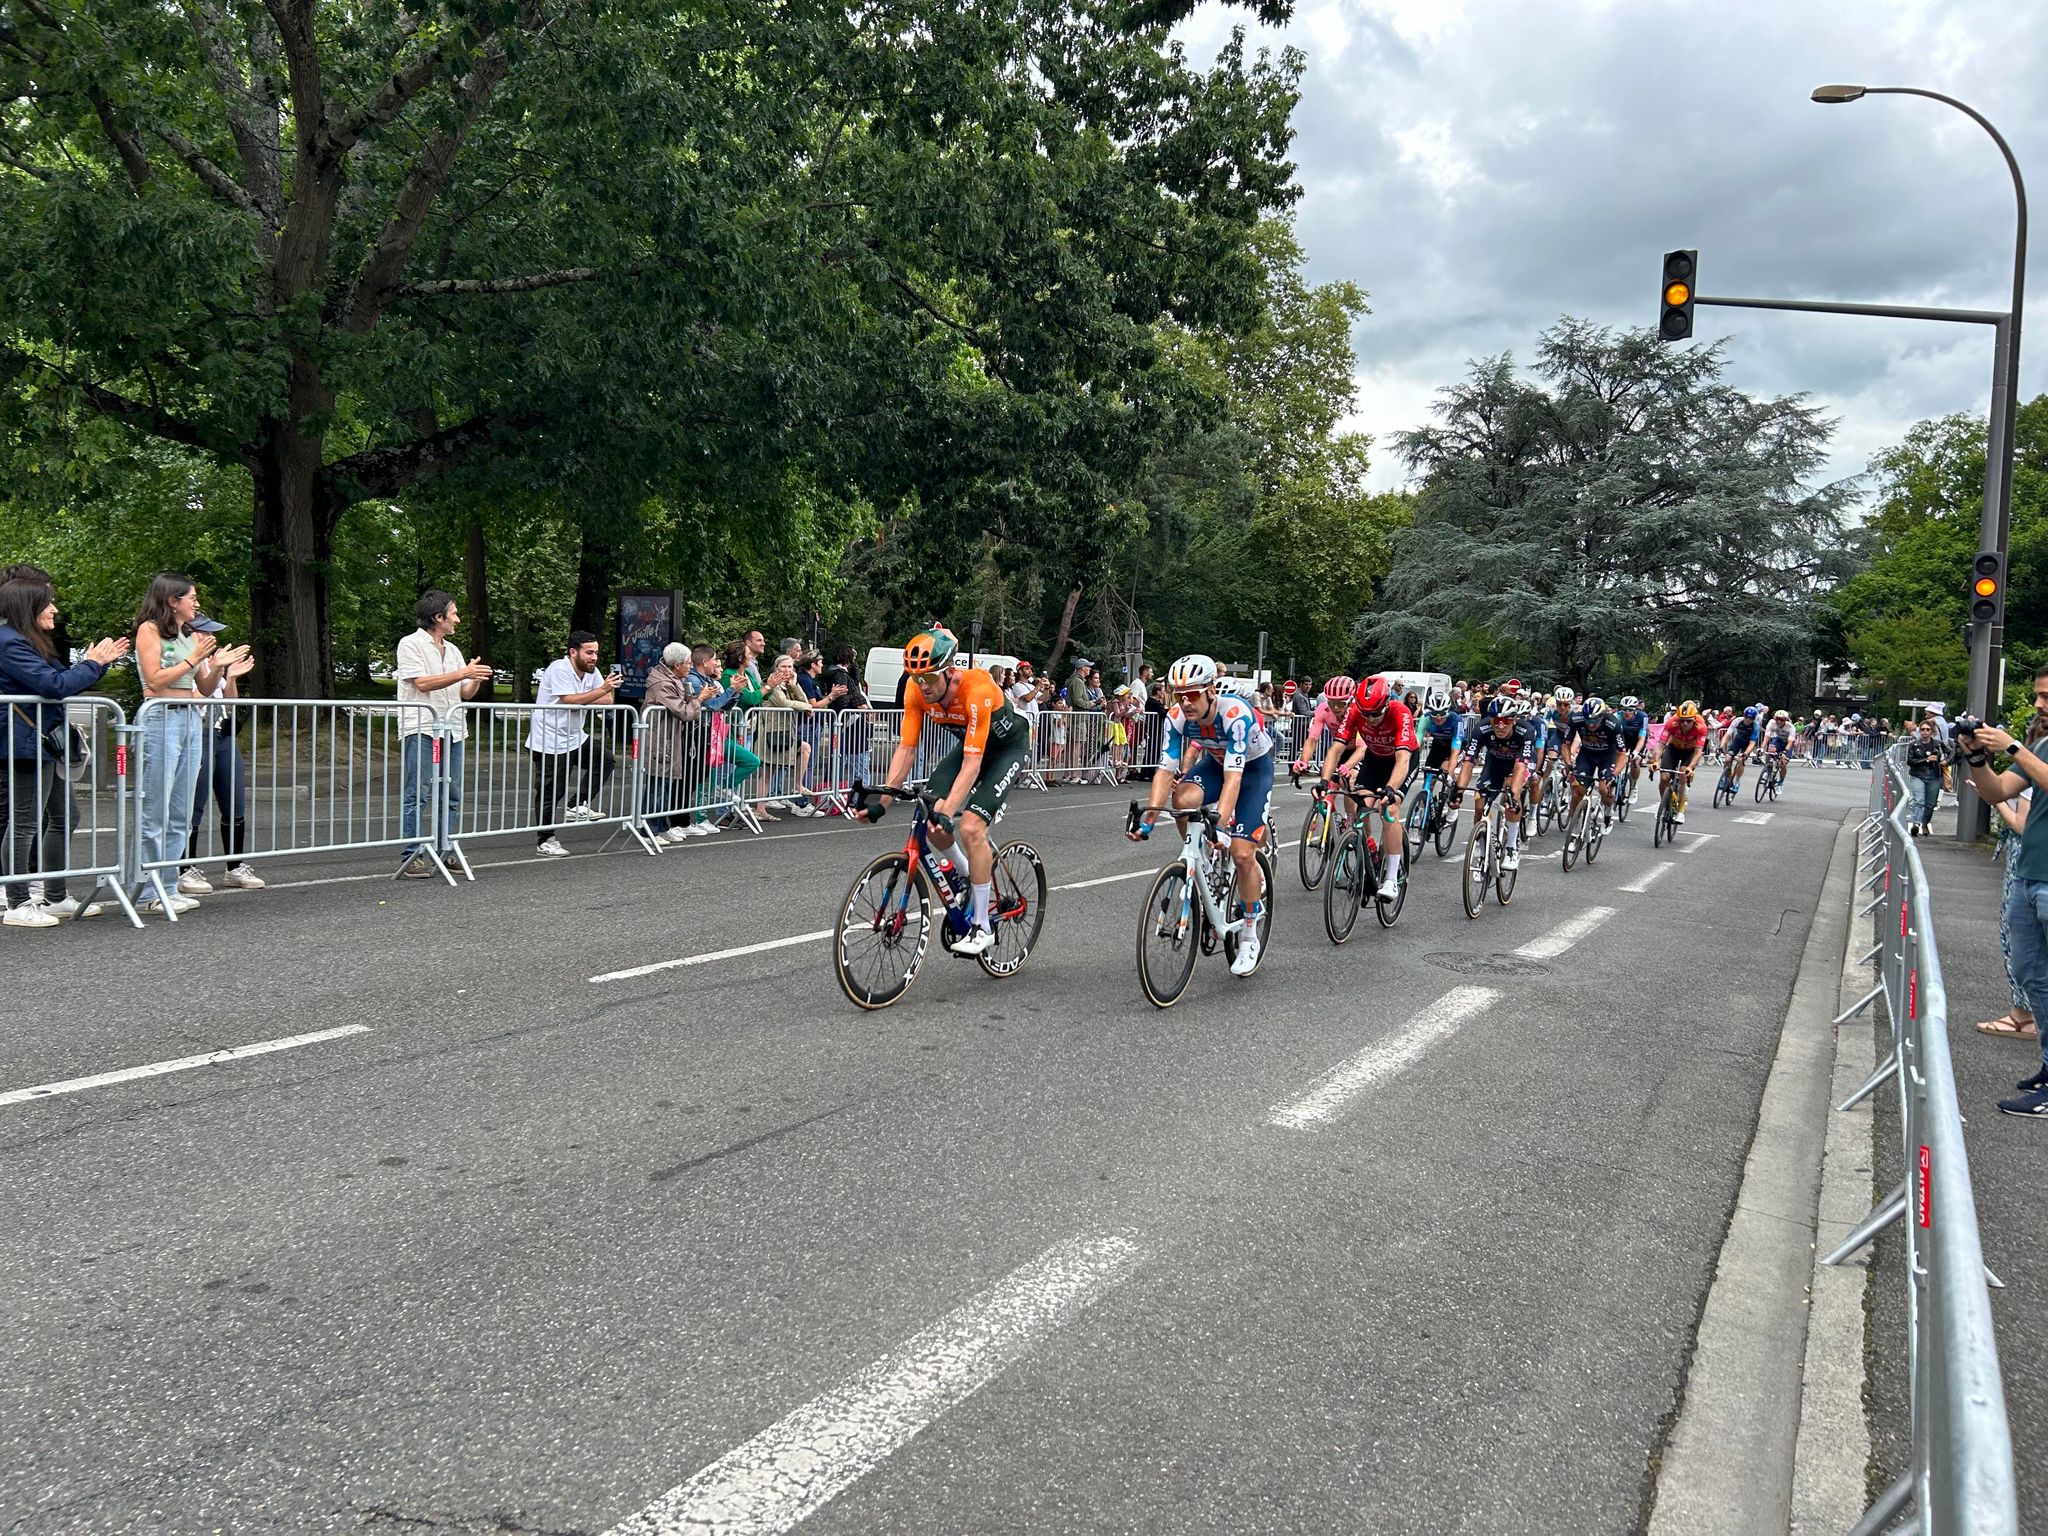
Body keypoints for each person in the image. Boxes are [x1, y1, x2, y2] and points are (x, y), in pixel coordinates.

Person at [861, 627, 1031, 957]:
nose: (922, 686)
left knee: (968, 827)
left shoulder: (976, 687)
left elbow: (972, 763)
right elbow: (907, 749)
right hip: (970, 747)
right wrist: (882, 799)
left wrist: (948, 809)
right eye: (916, 677)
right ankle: (968, 874)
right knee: (929, 818)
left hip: (1006, 750)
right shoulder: (915, 689)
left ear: (949, 670)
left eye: (929, 678)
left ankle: (982, 926)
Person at [1133, 653, 1275, 976]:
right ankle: (1200, 859)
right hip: (1214, 764)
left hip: (1252, 771)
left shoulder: (1236, 715)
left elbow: (1234, 779)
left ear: (1211, 691)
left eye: (1193, 694)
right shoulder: (1177, 717)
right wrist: (1149, 819)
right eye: (1179, 695)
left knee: (1241, 853)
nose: (1185, 702)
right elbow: (1165, 770)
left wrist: (1221, 826)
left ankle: (1250, 935)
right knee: (1181, 798)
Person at [0, 579, 128, 926]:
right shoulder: (9, 643)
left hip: (42, 742)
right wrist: (92, 662)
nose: (55, 609)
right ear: (29, 607)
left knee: (65, 816)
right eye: (48, 603)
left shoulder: (28, 641)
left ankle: (55, 896)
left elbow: (67, 680)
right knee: (24, 821)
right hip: (24, 742)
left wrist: (94, 664)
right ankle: (17, 903)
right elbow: (55, 686)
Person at [1952, 680, 2048, 1114]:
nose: (2038, 703)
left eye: (2047, 695)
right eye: (2037, 694)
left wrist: (2011, 746)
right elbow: (1996, 792)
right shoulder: (2042, 745)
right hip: (2029, 873)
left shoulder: (2030, 747)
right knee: (2032, 976)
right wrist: (1976, 757)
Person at [134, 573, 244, 914]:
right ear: (172, 600)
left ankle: (168, 885)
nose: (196, 603)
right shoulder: (149, 630)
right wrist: (194, 658)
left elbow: (207, 687)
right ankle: (146, 891)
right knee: (156, 811)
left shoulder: (185, 636)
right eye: (191, 597)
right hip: (160, 718)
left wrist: (220, 669)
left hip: (189, 718)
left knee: (180, 811)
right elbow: (154, 680)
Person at [396, 589, 493, 876]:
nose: (458, 620)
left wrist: (473, 678)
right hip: (422, 728)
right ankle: (411, 854)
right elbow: (422, 684)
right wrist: (463, 674)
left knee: (450, 795)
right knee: (418, 794)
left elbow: (464, 692)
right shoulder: (410, 644)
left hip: (452, 730)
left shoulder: (453, 650)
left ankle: (445, 850)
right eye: (453, 613)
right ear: (438, 617)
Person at [179, 613, 264, 893]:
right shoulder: (185, 661)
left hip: (222, 734)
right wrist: (215, 668)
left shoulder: (211, 662)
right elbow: (193, 698)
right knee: (195, 804)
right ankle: (184, 867)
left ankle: (234, 866)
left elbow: (229, 703)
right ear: (189, 634)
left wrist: (231, 677)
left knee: (234, 800)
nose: (211, 638)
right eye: (204, 633)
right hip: (198, 734)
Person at [1318, 673, 1419, 906]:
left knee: (1389, 809)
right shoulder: (1355, 712)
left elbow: (1403, 758)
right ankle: (1369, 847)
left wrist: (1391, 789)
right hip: (1375, 759)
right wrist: (1324, 781)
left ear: (1385, 704)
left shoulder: (1400, 712)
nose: (1370, 718)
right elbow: (1335, 749)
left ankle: (1391, 878)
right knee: (1363, 804)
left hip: (1400, 759)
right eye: (1366, 713)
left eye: (1375, 714)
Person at [528, 631, 620, 857]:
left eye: (596, 652)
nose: (594, 657)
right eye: (589, 652)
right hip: (549, 739)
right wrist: (597, 692)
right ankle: (545, 839)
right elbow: (569, 700)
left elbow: (607, 700)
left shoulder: (593, 672)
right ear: (572, 652)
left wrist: (593, 694)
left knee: (605, 760)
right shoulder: (559, 668)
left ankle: (577, 804)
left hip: (575, 736)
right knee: (551, 791)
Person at [1452, 696, 1538, 870]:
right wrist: (1458, 790)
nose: (1500, 725)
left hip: (1519, 764)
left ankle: (1512, 847)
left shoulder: (1526, 731)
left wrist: (1514, 794)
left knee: (1510, 797)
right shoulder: (1482, 728)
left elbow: (1521, 767)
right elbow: (1469, 762)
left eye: (1505, 721)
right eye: (1496, 720)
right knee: (1479, 803)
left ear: (1514, 720)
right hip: (1495, 763)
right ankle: (1482, 853)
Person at [641, 641, 707, 843]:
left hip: (669, 739)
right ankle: (649, 829)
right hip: (660, 740)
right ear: (677, 664)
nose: (690, 666)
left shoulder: (672, 678)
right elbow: (684, 711)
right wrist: (700, 698)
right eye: (688, 663)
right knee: (657, 785)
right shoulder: (662, 683)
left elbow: (684, 703)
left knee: (666, 783)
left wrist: (692, 698)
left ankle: (661, 826)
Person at [1658, 700, 1708, 824]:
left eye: (1688, 721)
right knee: (1664, 777)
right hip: (1674, 748)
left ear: (1694, 719)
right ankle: (1664, 804)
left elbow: (1698, 752)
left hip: (1690, 751)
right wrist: (1655, 761)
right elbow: (1660, 745)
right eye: (1682, 720)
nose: (1684, 723)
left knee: (1682, 774)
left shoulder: (1701, 727)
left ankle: (1680, 810)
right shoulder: (1671, 723)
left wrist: (1690, 767)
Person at [1904, 718, 1948, 835]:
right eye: (1922, 729)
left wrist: (1946, 761)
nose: (1924, 732)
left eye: (1927, 729)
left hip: (1934, 775)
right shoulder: (1914, 744)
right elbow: (1910, 761)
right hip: (1918, 774)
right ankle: (1916, 824)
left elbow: (1950, 752)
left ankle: (1924, 824)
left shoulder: (1938, 744)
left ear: (1931, 731)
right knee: (1919, 800)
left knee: (1930, 804)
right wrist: (1926, 760)